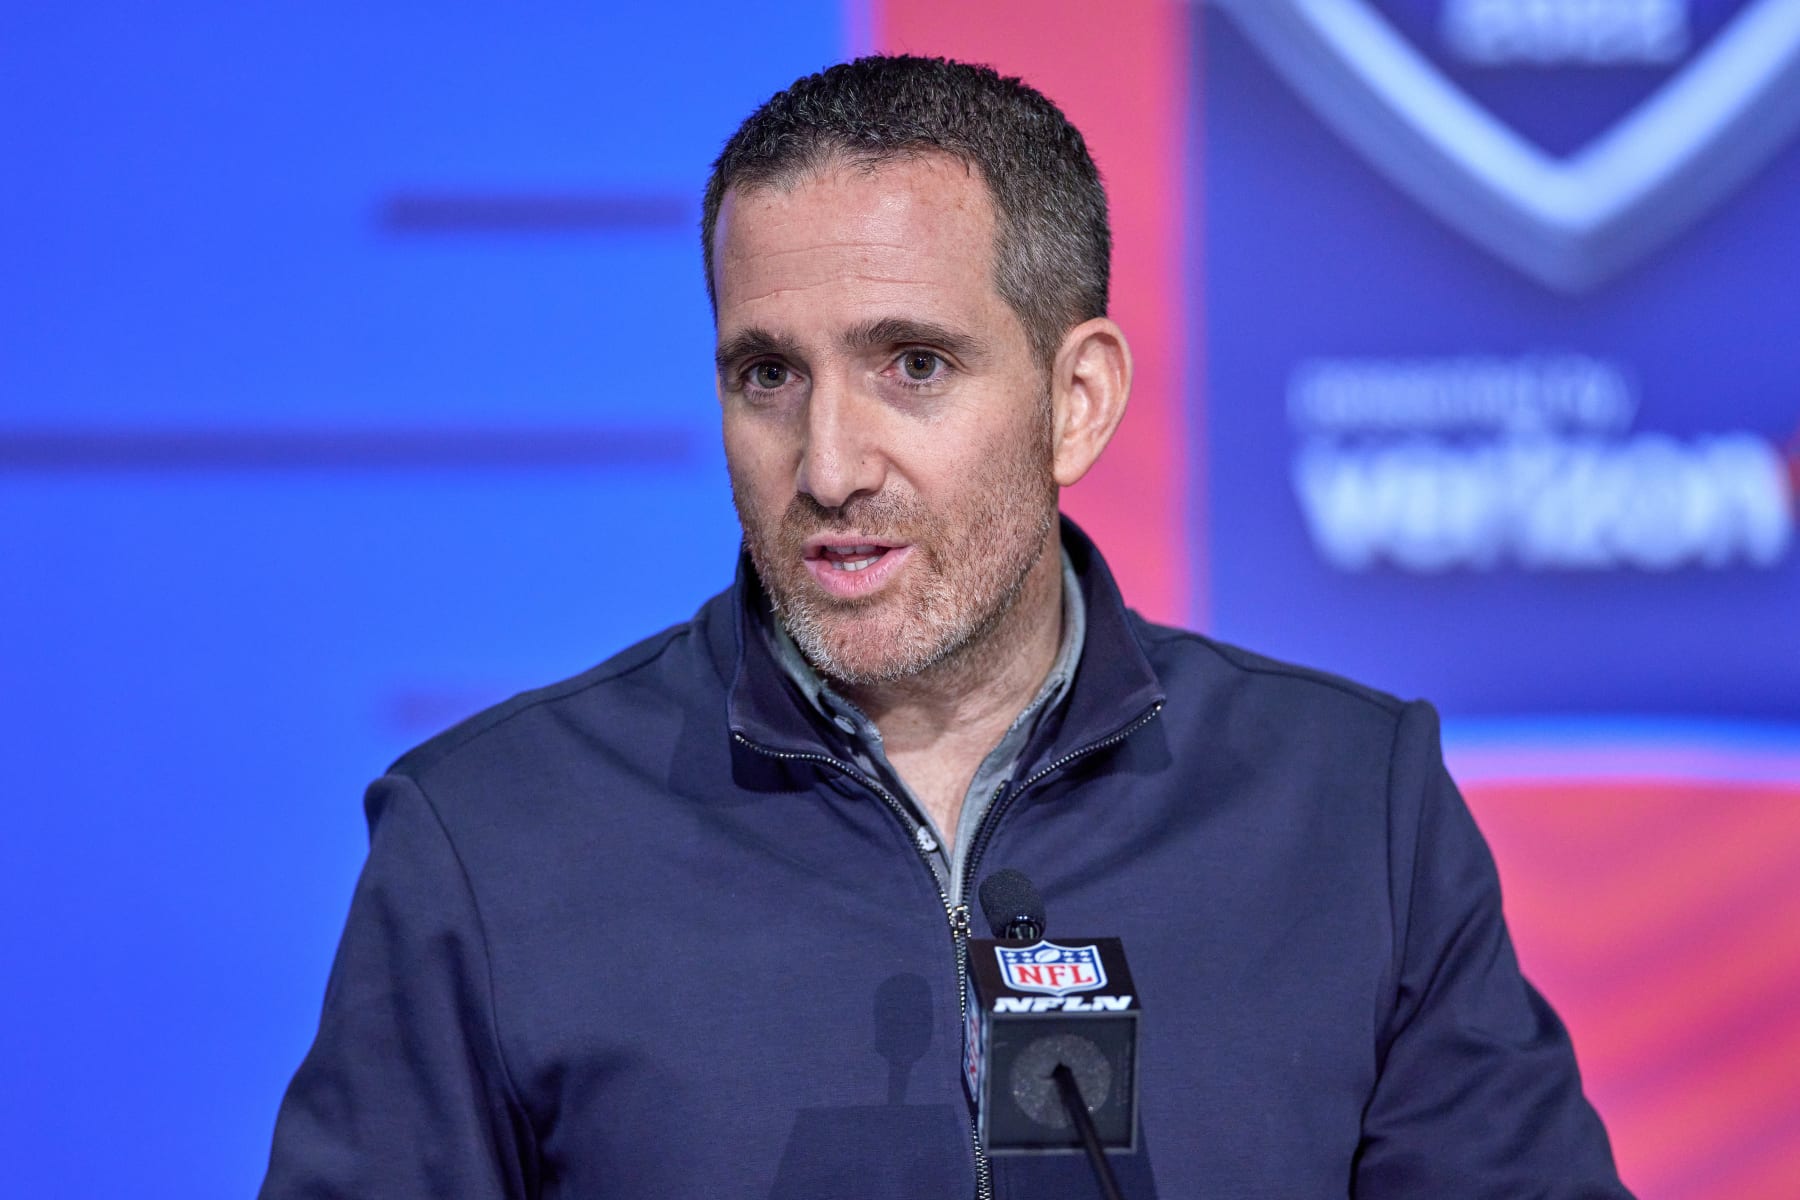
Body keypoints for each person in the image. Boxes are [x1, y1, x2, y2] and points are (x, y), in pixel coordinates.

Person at [260, 56, 1633, 1199]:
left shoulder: (1350, 805)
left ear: (1077, 399)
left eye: (913, 365)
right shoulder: (492, 840)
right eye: (768, 375)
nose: (829, 463)